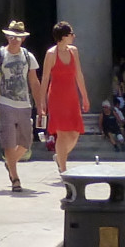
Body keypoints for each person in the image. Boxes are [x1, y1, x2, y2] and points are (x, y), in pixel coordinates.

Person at [0, 22, 41, 195]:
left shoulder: (28, 56)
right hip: (5, 102)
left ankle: (10, 163)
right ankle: (15, 178)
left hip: (25, 103)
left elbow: (34, 81)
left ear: (23, 38)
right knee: (9, 141)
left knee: (26, 141)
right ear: (7, 37)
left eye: (18, 36)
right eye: (11, 35)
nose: (14, 39)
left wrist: (41, 106)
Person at [39, 22, 89, 174]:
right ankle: (63, 168)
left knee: (74, 132)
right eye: (71, 34)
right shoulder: (51, 54)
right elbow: (45, 78)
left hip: (72, 96)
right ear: (63, 37)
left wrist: (85, 97)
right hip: (56, 97)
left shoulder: (74, 51)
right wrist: (42, 103)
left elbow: (78, 74)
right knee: (61, 132)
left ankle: (60, 157)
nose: (74, 36)